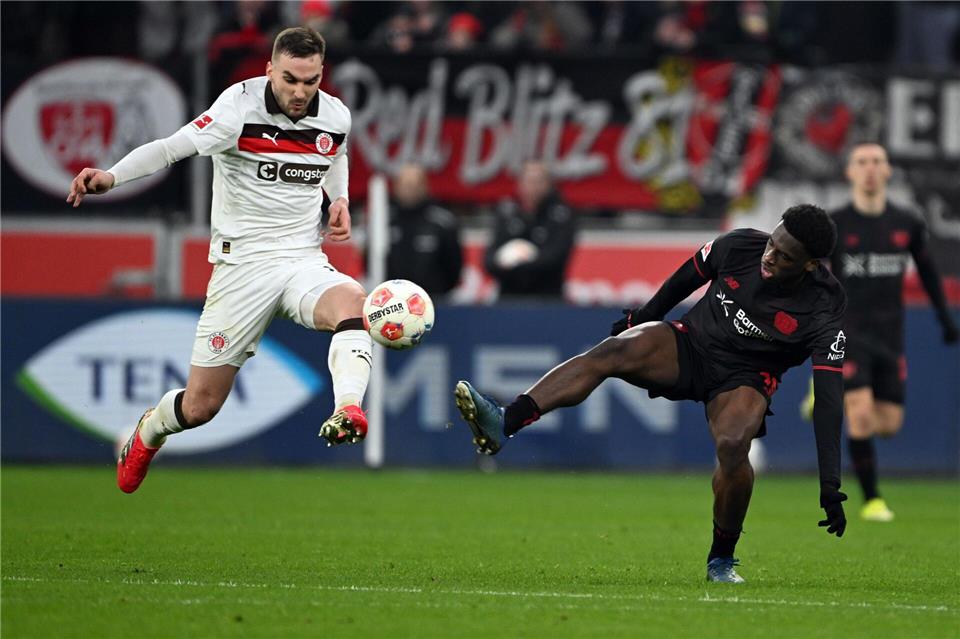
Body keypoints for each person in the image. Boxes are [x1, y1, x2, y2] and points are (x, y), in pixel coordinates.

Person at [455, 204, 849, 583]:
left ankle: (721, 559)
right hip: (692, 345)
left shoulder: (824, 308)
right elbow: (685, 279)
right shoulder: (741, 245)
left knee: (732, 445)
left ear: (810, 265)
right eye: (772, 244)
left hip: (747, 375)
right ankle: (504, 421)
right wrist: (641, 318)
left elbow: (830, 399)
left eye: (783, 257)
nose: (769, 256)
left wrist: (829, 483)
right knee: (612, 350)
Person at [66, 27, 373, 493]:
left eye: (310, 81)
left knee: (353, 300)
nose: (299, 91)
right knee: (200, 407)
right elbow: (172, 147)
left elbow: (336, 153)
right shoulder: (238, 108)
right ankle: (148, 431)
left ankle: (348, 408)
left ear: (321, 75)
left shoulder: (335, 115)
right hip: (242, 268)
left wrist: (340, 199)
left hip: (301, 259)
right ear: (269, 70)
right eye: (289, 79)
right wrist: (112, 176)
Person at [803, 143, 958, 522]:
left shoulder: (907, 223)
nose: (870, 169)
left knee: (888, 425)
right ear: (850, 173)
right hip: (847, 331)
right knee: (860, 417)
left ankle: (821, 391)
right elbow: (812, 276)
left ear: (888, 171)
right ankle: (872, 500)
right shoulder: (835, 225)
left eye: (877, 162)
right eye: (862, 162)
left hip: (890, 334)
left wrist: (945, 319)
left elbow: (927, 273)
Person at [484, 160, 577, 299]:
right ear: (519, 184)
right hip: (508, 299)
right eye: (528, 181)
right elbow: (489, 259)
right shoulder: (506, 213)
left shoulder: (561, 216)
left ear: (548, 185)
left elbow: (556, 257)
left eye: (538, 181)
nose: (533, 187)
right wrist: (504, 261)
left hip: (547, 299)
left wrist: (520, 262)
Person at [384, 162, 463, 297]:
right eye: (405, 185)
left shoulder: (442, 222)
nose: (409, 190)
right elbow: (369, 260)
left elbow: (454, 267)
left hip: (434, 300)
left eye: (414, 185)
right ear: (396, 187)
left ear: (424, 186)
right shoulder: (383, 220)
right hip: (391, 302)